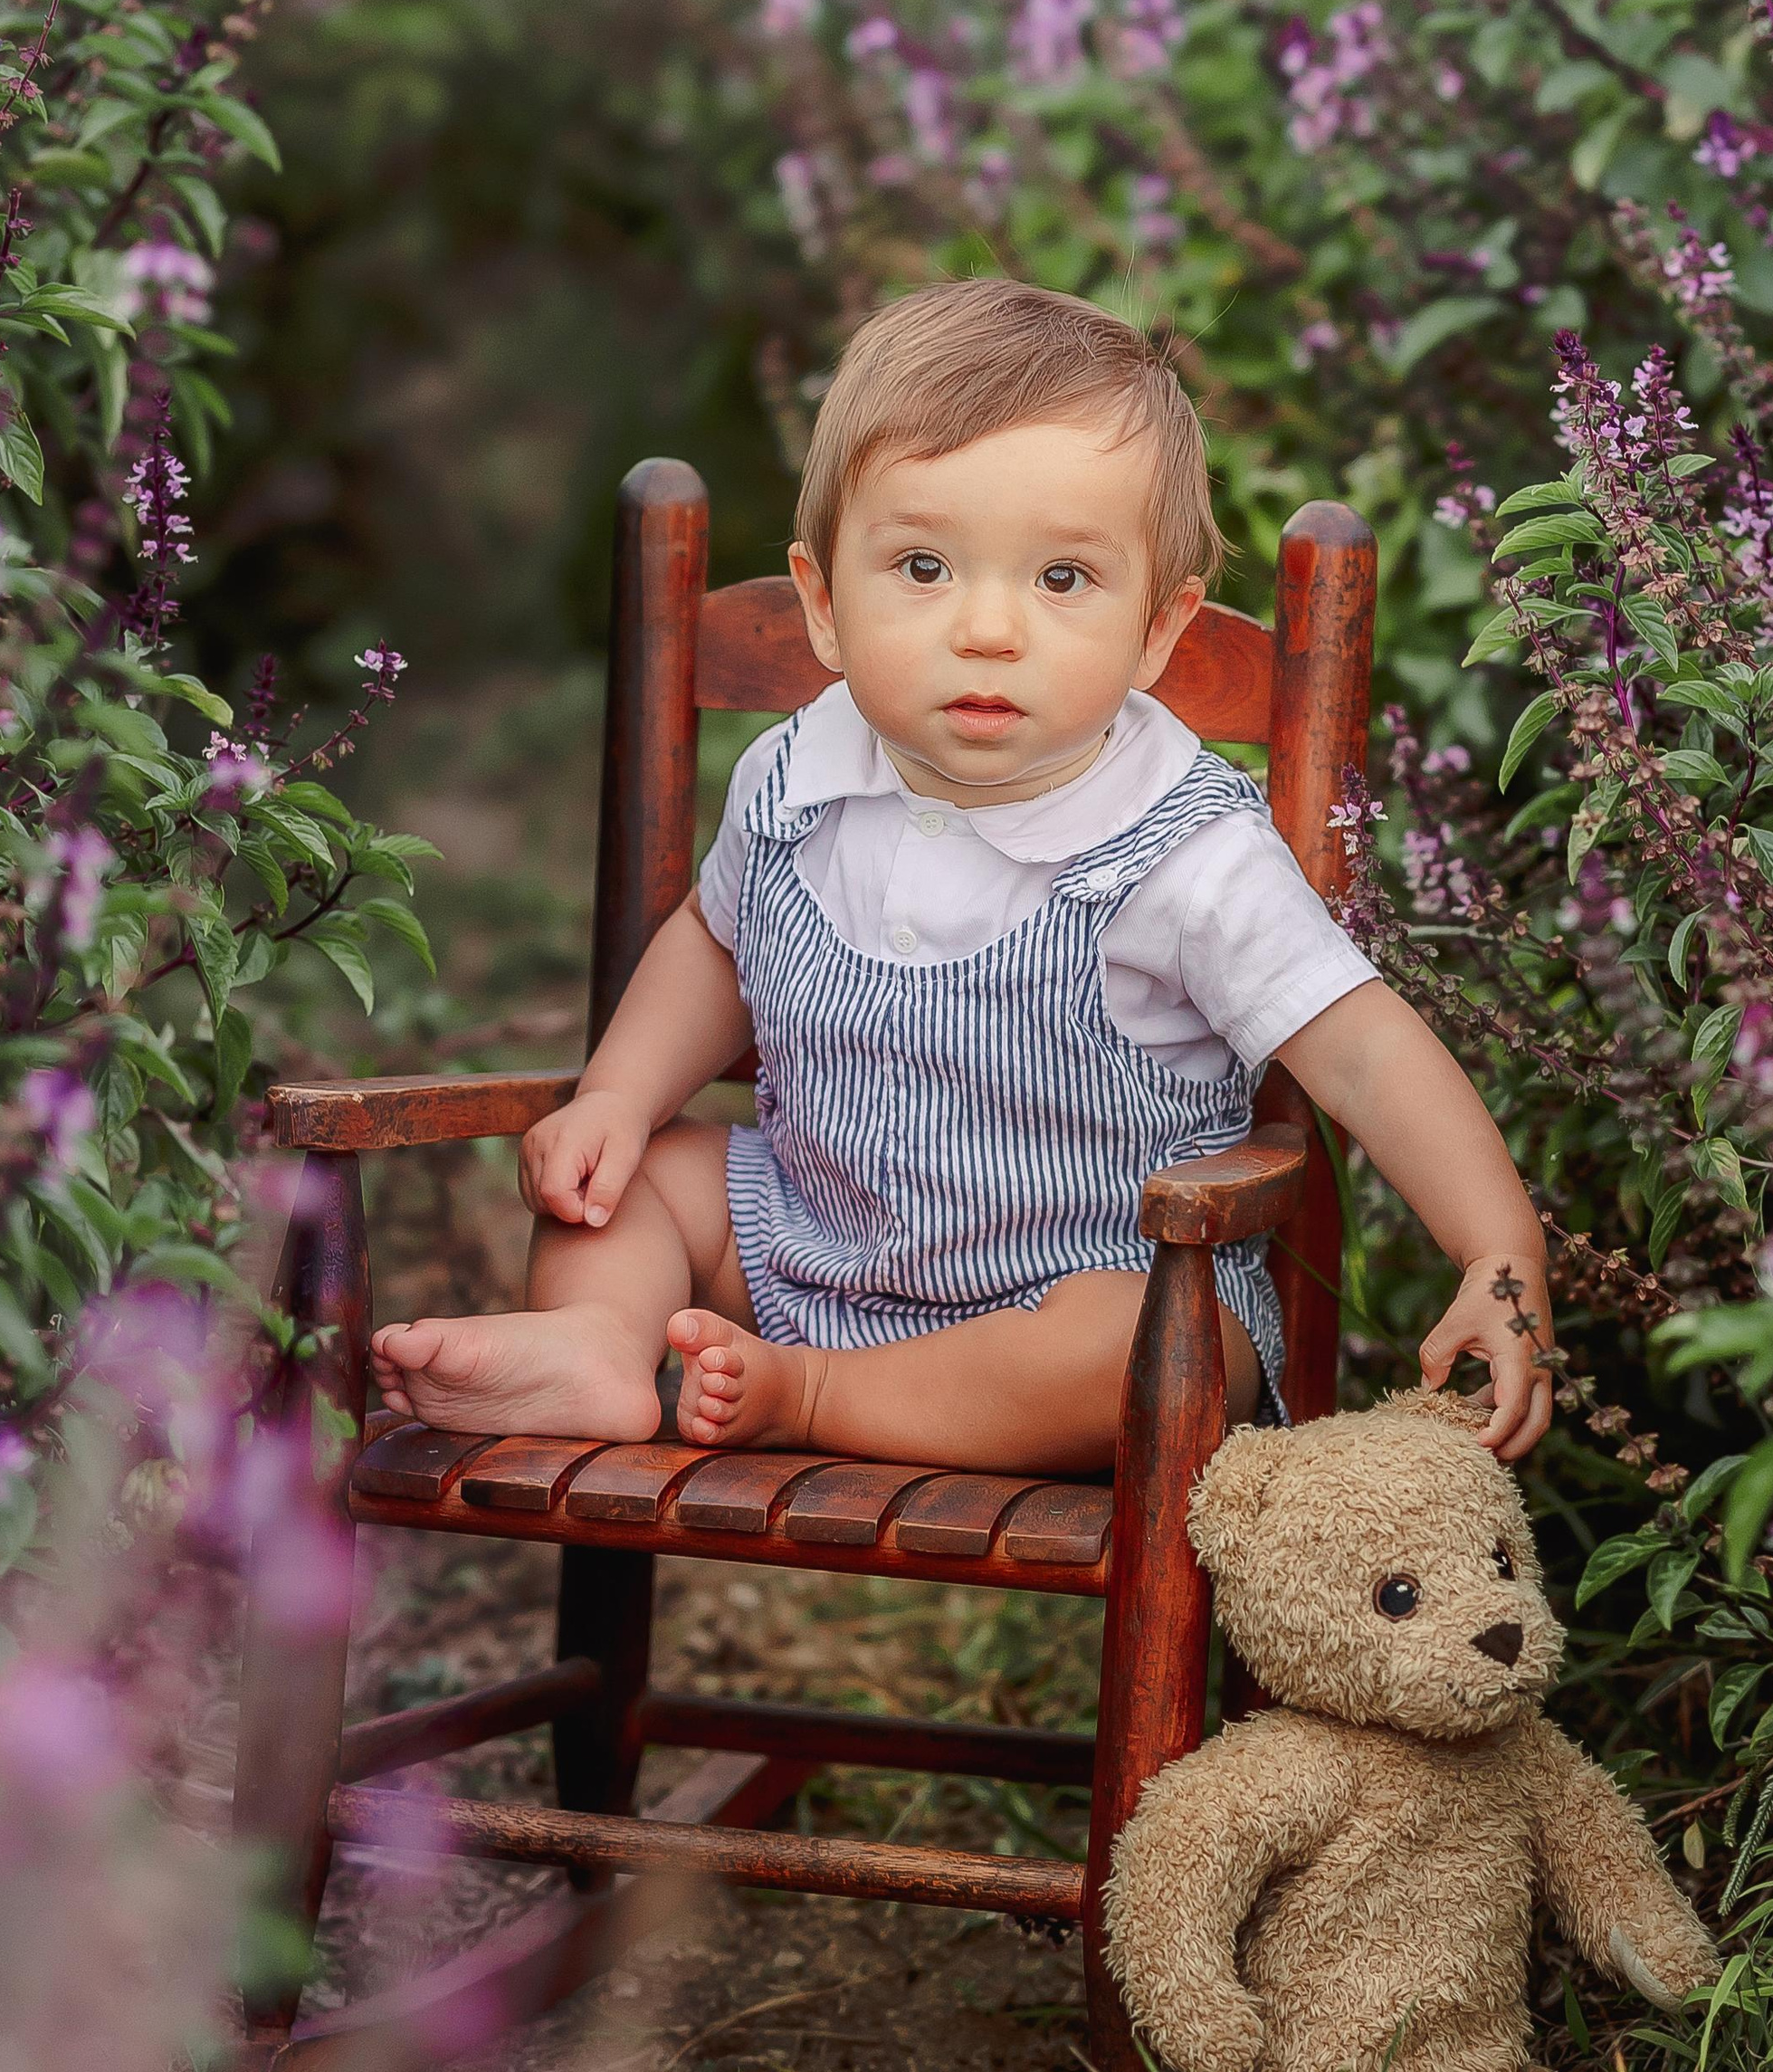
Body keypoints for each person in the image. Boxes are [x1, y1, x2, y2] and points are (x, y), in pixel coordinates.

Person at [371, 282, 1553, 1476]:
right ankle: (598, 1346)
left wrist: (1497, 1256)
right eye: (925, 566)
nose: (989, 629)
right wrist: (619, 1101)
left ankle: (820, 1396)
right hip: (803, 1248)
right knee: (628, 1185)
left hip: (1072, 1304)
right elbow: (713, 945)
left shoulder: (1185, 850)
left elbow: (1364, 1051)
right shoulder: (797, 775)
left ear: (1158, 629)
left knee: (1136, 1341)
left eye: (1061, 580)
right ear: (825, 603)